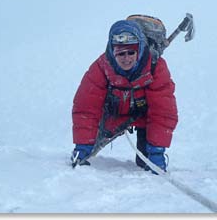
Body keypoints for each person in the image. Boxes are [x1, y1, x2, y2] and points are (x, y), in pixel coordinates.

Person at [71, 19, 178, 173]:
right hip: (111, 116)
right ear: (112, 51)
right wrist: (82, 145)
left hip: (143, 117)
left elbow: (163, 112)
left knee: (145, 162)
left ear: (139, 49)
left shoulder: (155, 67)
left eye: (131, 52)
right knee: (88, 150)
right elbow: (86, 108)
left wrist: (157, 150)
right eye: (120, 53)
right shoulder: (101, 68)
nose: (126, 58)